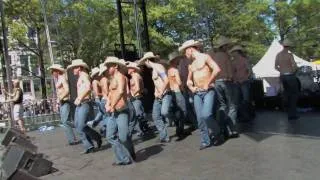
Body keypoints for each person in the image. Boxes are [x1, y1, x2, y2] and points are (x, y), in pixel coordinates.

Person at [179, 40, 221, 150]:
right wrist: (191, 87)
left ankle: (217, 132)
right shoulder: (191, 65)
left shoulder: (205, 57)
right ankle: (205, 141)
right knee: (200, 119)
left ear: (190, 49)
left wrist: (208, 82)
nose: (185, 54)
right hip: (197, 93)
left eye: (185, 51)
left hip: (208, 91)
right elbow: (188, 81)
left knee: (206, 114)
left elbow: (217, 69)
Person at [67, 59, 102, 154]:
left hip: (84, 103)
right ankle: (89, 146)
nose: (73, 70)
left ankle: (96, 137)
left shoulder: (84, 75)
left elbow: (88, 88)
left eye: (74, 68)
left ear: (79, 68)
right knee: (78, 126)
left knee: (81, 125)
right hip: (80, 104)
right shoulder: (81, 76)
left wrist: (80, 98)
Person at [104, 57, 133, 166]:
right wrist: (108, 103)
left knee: (123, 137)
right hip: (114, 111)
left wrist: (113, 105)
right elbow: (111, 93)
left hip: (122, 110)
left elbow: (121, 91)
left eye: (109, 66)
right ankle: (123, 158)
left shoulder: (121, 77)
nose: (107, 68)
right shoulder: (112, 79)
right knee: (110, 136)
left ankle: (130, 150)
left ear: (115, 66)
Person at [138, 52, 172, 143]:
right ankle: (164, 136)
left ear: (147, 60)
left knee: (164, 112)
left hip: (165, 95)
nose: (144, 65)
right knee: (156, 116)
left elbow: (166, 80)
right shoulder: (153, 70)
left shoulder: (158, 67)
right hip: (158, 97)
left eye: (144, 62)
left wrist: (161, 92)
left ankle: (177, 115)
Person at [209, 36, 239, 138]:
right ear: (224, 46)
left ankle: (222, 128)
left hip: (217, 82)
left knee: (222, 106)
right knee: (232, 106)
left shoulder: (214, 56)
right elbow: (230, 70)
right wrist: (232, 78)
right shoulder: (226, 55)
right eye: (227, 45)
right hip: (227, 82)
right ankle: (232, 129)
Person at [49, 64, 77, 145]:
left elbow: (67, 90)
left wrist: (61, 98)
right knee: (64, 121)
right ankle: (72, 138)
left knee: (65, 121)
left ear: (57, 71)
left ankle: (77, 129)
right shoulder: (58, 79)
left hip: (65, 101)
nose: (52, 72)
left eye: (53, 71)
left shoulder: (62, 78)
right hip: (62, 102)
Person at [275, 39, 299, 120]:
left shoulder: (278, 55)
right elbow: (294, 65)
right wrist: (293, 70)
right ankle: (293, 114)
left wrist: (281, 71)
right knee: (294, 94)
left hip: (282, 76)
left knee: (287, 94)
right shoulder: (289, 55)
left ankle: (289, 113)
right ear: (288, 47)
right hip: (290, 76)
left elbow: (275, 66)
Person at [167, 51, 189, 140]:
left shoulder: (168, 70)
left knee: (176, 111)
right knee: (183, 111)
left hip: (172, 93)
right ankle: (181, 130)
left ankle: (178, 129)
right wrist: (184, 88)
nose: (180, 60)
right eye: (178, 59)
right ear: (175, 60)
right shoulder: (175, 70)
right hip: (178, 92)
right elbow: (179, 82)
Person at [229, 45, 254, 122]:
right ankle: (242, 116)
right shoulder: (233, 61)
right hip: (237, 83)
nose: (232, 53)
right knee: (238, 100)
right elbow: (232, 73)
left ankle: (247, 116)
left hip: (244, 82)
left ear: (237, 52)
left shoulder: (244, 60)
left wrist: (246, 78)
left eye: (233, 52)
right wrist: (235, 80)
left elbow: (249, 70)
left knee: (245, 100)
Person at [126, 61, 149, 136]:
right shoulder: (133, 76)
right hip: (135, 97)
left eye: (129, 68)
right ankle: (143, 128)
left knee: (137, 114)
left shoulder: (135, 75)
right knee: (139, 113)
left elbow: (138, 88)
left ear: (133, 69)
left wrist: (132, 96)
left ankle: (141, 129)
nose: (127, 70)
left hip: (136, 97)